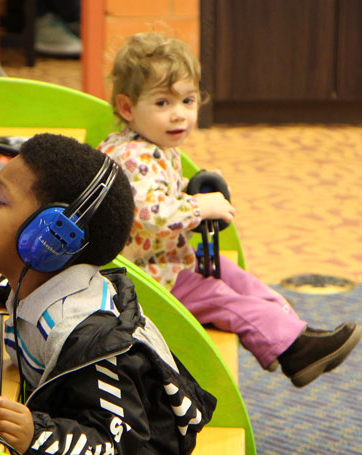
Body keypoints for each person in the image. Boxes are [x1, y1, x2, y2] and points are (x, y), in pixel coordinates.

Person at [0, 133, 216, 455]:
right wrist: (1, 286)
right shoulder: (43, 288)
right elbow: (44, 301)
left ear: (50, 239)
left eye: (0, 200)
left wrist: (36, 435)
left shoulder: (90, 341)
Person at [98, 32, 361, 388]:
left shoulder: (151, 145)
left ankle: (296, 337)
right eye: (162, 104)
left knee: (237, 276)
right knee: (223, 298)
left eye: (188, 101)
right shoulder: (132, 156)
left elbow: (152, 199)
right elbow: (150, 215)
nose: (179, 115)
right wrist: (197, 204)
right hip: (149, 279)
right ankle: (290, 346)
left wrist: (192, 191)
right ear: (128, 108)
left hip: (169, 262)